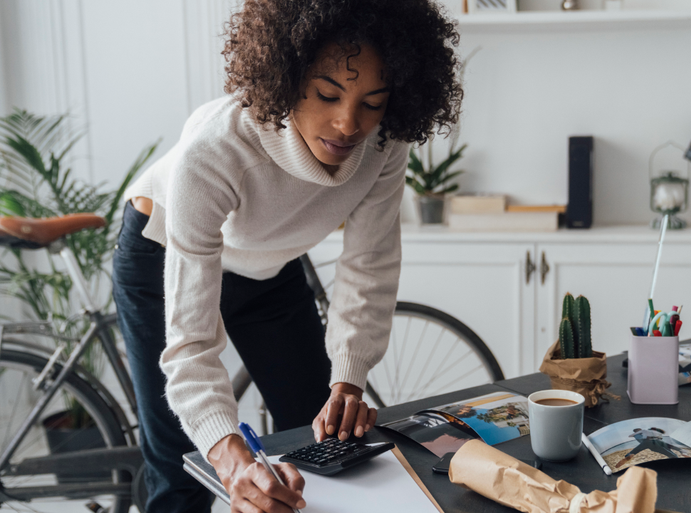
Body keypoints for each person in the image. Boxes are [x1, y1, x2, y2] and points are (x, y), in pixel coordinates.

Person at [111, 1, 462, 512]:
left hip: (269, 266)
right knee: (183, 460)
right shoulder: (213, 153)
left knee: (324, 435)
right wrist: (233, 463)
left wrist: (348, 378)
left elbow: (370, 263)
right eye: (327, 94)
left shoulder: (385, 142)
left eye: (373, 101)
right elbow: (190, 347)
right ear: (287, 75)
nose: (348, 124)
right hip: (160, 251)